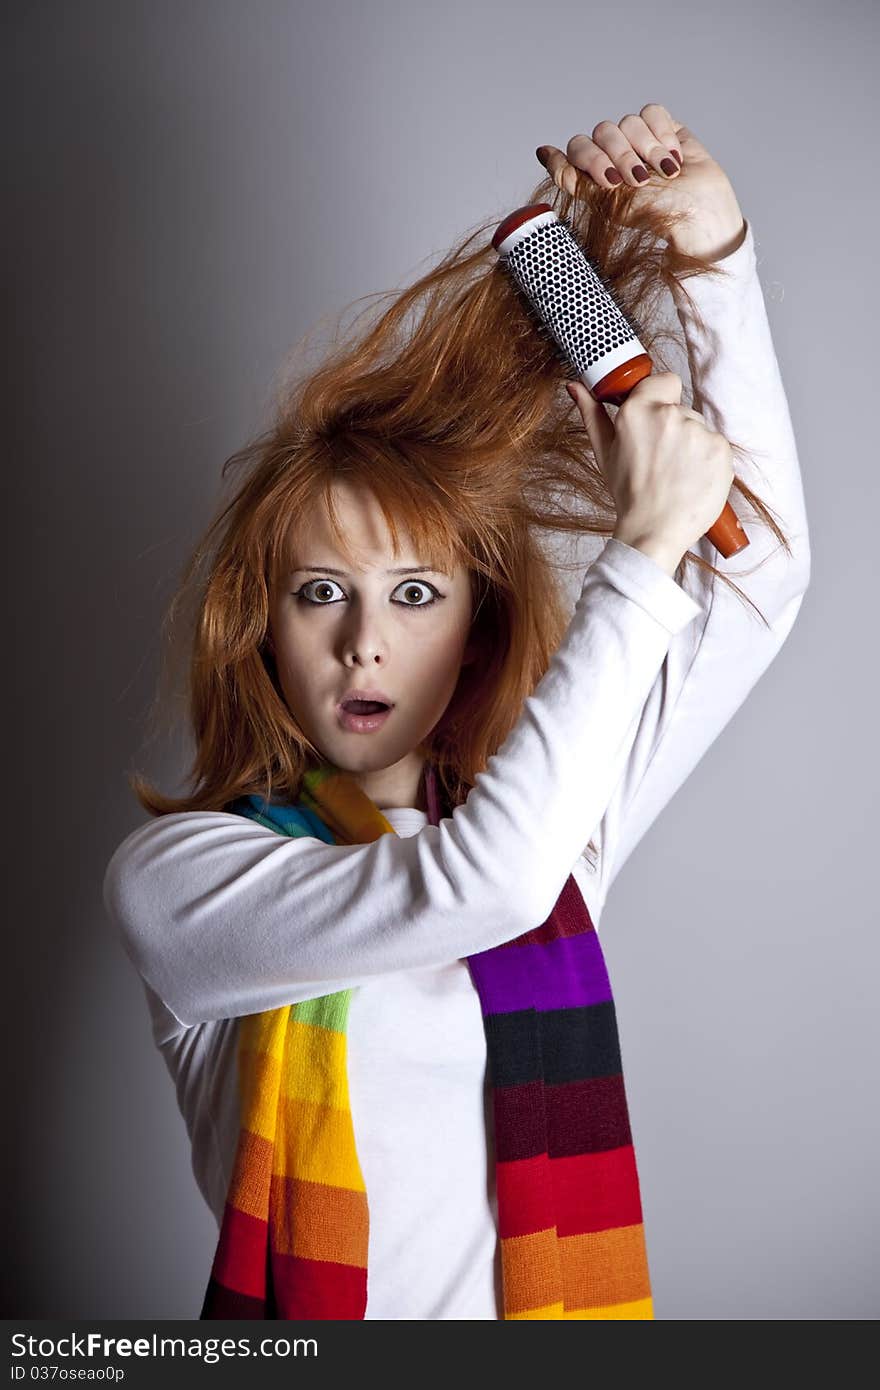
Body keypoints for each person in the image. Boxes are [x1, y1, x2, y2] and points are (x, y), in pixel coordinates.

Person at [103, 105, 810, 1320]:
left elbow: (760, 581)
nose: (363, 639)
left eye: (414, 593)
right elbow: (483, 886)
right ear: (261, 627)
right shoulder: (183, 882)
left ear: (473, 626)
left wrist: (710, 262)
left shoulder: (544, 823)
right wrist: (642, 555)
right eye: (318, 591)